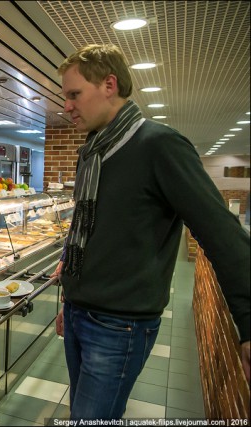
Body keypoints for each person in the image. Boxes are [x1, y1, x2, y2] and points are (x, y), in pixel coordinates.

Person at [51, 44, 250, 420]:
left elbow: (221, 232)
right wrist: (70, 292)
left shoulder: (160, 145)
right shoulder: (91, 152)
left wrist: (249, 320)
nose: (67, 106)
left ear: (109, 85)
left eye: (74, 94)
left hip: (119, 326)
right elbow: (85, 226)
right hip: (80, 313)